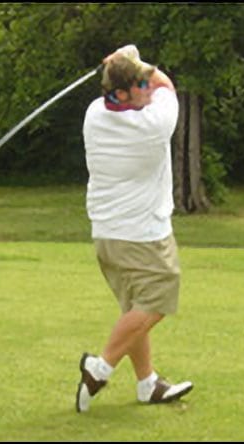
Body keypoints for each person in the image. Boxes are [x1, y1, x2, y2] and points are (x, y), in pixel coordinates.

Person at [76, 44, 193, 413]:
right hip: (142, 235)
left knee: (134, 308)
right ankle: (100, 368)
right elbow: (166, 85)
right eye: (140, 83)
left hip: (108, 236)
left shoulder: (95, 113)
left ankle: (147, 384)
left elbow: (143, 83)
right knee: (159, 297)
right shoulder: (153, 124)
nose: (149, 87)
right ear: (122, 94)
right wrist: (130, 57)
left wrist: (125, 61)